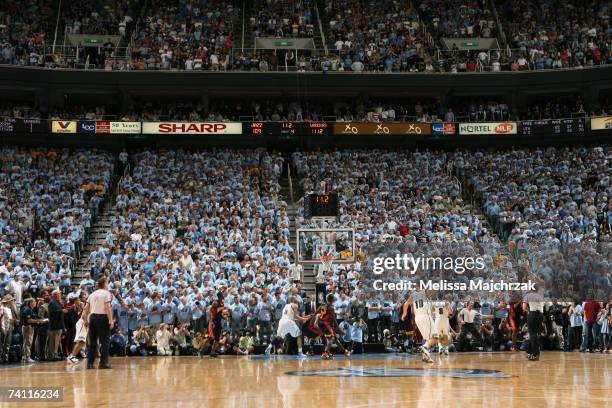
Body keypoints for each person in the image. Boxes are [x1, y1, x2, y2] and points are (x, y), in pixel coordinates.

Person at [82, 277, 114, 369]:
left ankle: (90, 364)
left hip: (92, 318)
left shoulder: (92, 294)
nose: (108, 284)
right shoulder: (106, 293)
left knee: (92, 342)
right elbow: (107, 307)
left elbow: (86, 308)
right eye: (107, 283)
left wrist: (85, 320)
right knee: (105, 342)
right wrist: (111, 320)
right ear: (104, 284)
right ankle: (103, 363)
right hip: (102, 318)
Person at [413, 291, 439, 363]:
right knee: (436, 337)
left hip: (417, 318)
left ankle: (426, 357)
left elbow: (412, 311)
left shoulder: (415, 297)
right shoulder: (424, 294)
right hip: (425, 317)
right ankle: (424, 347)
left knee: (428, 339)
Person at [20, 298, 46, 363]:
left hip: (29, 327)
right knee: (28, 343)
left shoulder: (31, 310)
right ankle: (27, 357)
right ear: (30, 303)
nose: (35, 302)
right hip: (27, 327)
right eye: (34, 301)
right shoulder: (27, 310)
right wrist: (40, 321)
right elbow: (29, 320)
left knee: (27, 343)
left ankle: (25, 357)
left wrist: (39, 320)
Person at [523, 289, 545, 361]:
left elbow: (524, 307)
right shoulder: (540, 296)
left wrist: (528, 311)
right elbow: (543, 306)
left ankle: (535, 354)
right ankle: (530, 352)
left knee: (532, 334)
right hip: (540, 315)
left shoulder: (528, 295)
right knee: (535, 334)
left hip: (533, 314)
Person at [46, 290, 65, 361]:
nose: (60, 295)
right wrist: (61, 311)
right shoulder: (52, 303)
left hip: (59, 325)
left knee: (56, 341)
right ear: (54, 295)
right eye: (58, 294)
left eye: (60, 294)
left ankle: (55, 354)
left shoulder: (58, 303)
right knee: (53, 341)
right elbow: (52, 313)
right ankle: (51, 355)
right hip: (54, 325)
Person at [208, 292, 225, 358]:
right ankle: (202, 349)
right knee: (210, 337)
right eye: (222, 295)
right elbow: (210, 311)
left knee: (217, 338)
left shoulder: (222, 303)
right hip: (214, 322)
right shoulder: (215, 302)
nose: (223, 296)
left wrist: (224, 318)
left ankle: (213, 352)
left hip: (219, 322)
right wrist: (211, 321)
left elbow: (219, 313)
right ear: (219, 296)